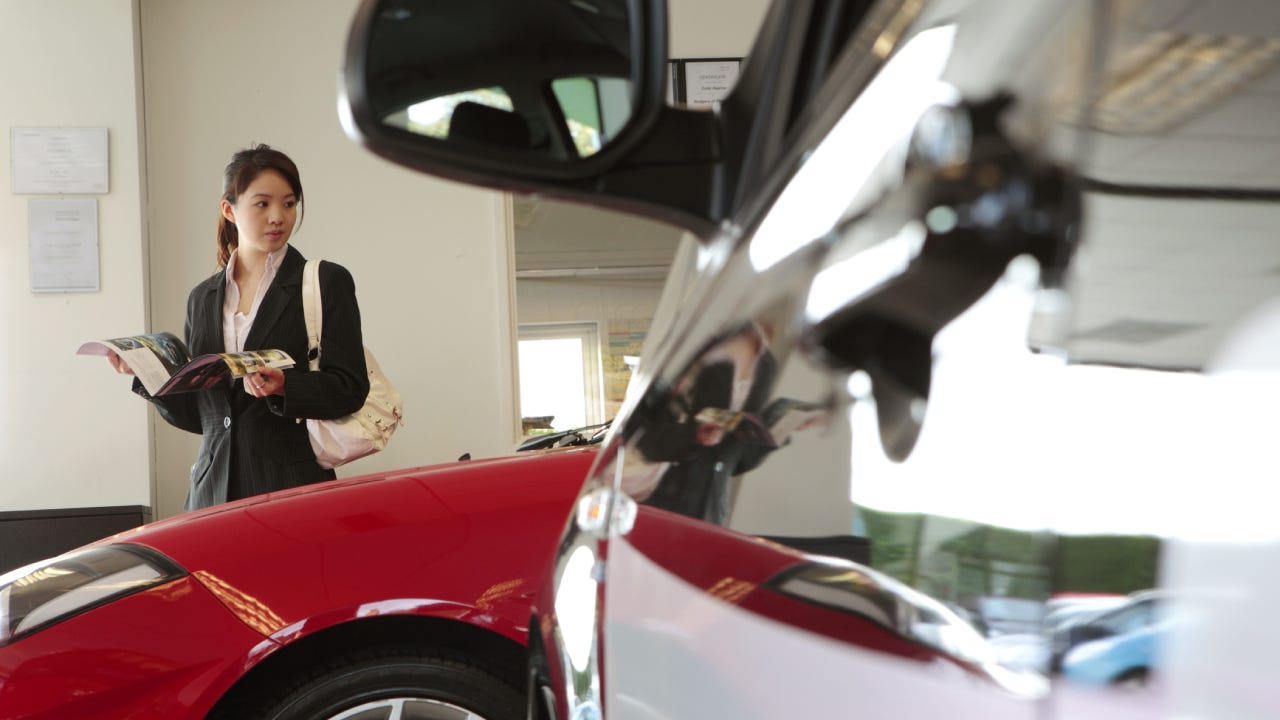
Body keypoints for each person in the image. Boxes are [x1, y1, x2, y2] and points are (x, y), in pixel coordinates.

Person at [109, 144, 369, 510]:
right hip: (211, 494)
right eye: (262, 204)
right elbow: (203, 417)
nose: (278, 216)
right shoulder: (202, 297)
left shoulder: (325, 281)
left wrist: (284, 386)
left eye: (289, 203)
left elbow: (351, 388)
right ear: (229, 209)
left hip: (291, 491)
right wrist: (149, 377)